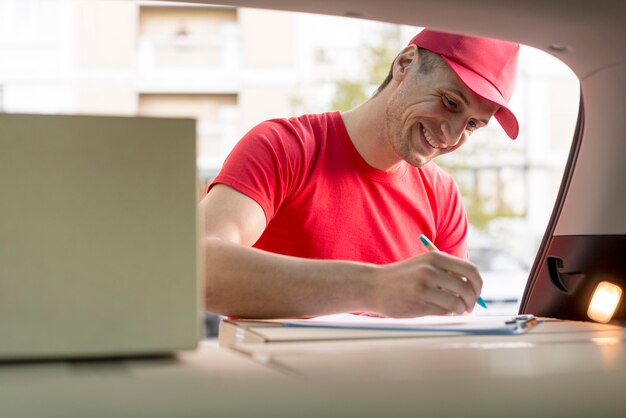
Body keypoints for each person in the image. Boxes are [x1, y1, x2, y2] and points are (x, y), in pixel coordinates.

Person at [199, 29, 520, 319]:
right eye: (450, 102)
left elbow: (452, 324)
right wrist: (373, 288)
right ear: (405, 64)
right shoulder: (284, 148)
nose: (452, 136)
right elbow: (196, 267)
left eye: (473, 125)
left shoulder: (443, 195)